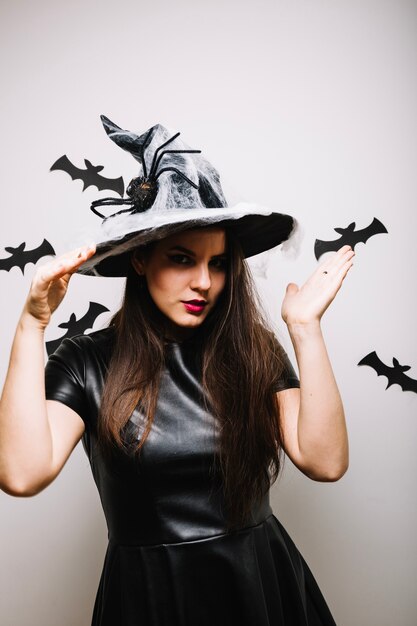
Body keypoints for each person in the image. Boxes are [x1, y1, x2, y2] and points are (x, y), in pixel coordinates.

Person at [0, 116, 354, 626]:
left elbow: (326, 462)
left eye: (217, 263)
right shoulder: (85, 362)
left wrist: (305, 330)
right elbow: (21, 473)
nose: (204, 282)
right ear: (141, 260)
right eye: (183, 258)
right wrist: (32, 326)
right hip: (148, 600)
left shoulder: (252, 351)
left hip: (260, 589)